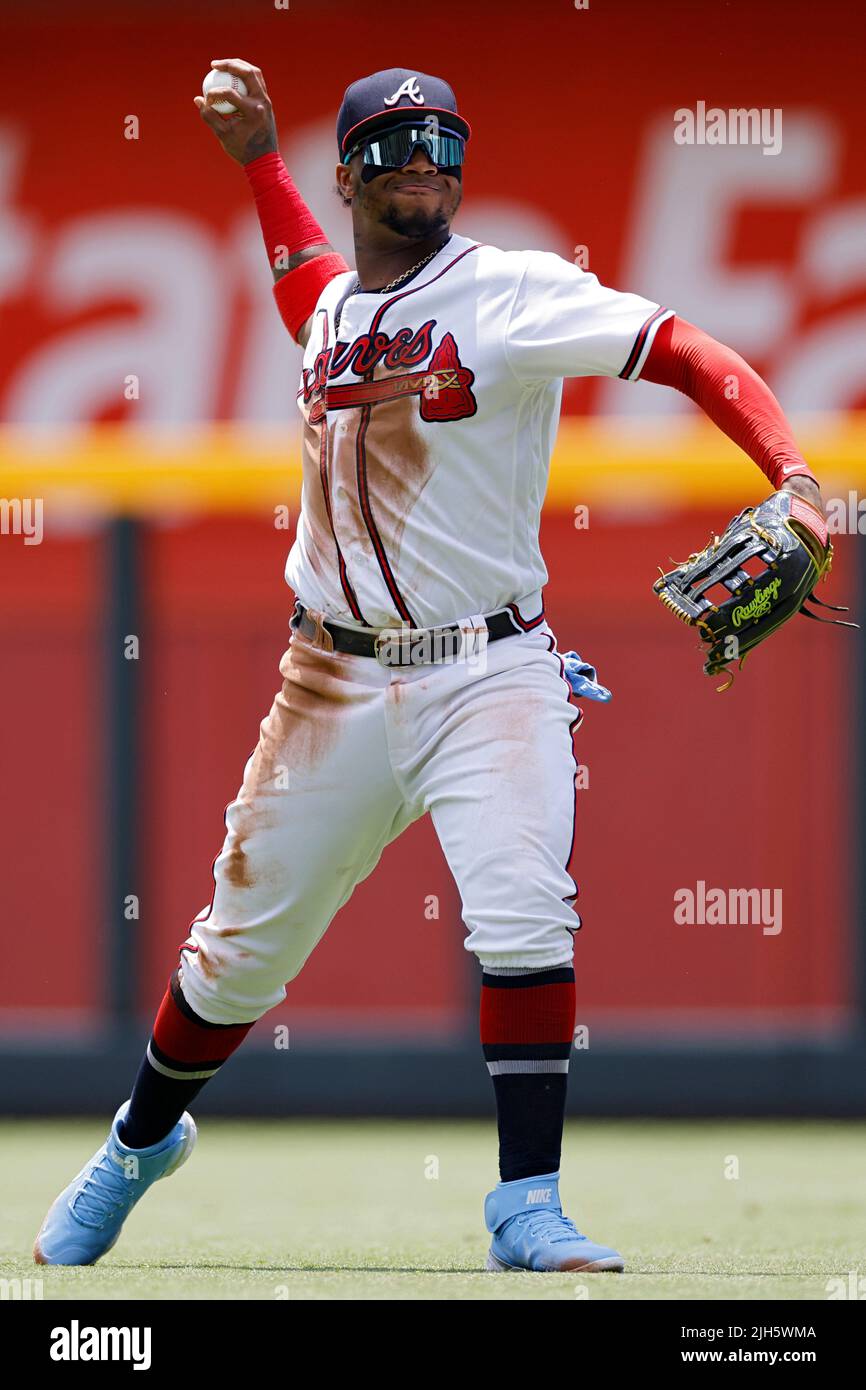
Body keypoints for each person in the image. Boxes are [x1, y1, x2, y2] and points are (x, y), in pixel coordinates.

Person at [34, 63, 823, 1274]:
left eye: (443, 142)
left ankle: (526, 1205)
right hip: (329, 682)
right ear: (348, 172)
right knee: (234, 952)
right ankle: (140, 1143)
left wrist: (797, 479)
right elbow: (310, 289)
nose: (423, 160)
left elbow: (685, 351)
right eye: (396, 142)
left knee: (522, 909)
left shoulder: (512, 292)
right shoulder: (340, 309)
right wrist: (255, 158)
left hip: (489, 674)